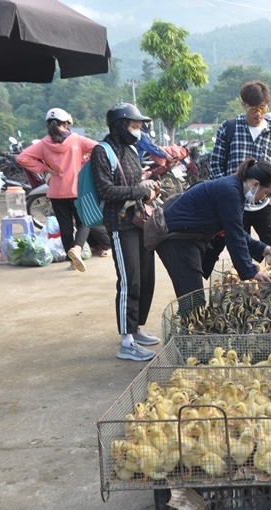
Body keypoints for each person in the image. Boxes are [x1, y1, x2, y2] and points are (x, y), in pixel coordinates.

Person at [155, 159, 271, 306]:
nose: (265, 197)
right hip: (177, 240)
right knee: (192, 300)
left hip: (190, 238)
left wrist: (263, 249)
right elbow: (234, 236)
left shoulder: (235, 189)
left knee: (193, 299)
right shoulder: (230, 191)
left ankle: (189, 324)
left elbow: (235, 230)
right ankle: (187, 326)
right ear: (255, 184)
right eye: (267, 193)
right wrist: (251, 271)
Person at [92, 102, 162, 362]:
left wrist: (147, 186)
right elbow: (105, 191)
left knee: (146, 278)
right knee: (129, 281)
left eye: (140, 126)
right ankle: (126, 341)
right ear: (120, 125)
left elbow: (134, 182)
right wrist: (139, 190)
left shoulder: (131, 148)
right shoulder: (102, 151)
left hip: (139, 221)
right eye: (134, 126)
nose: (138, 130)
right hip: (120, 225)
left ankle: (136, 328)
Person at [16, 108, 111, 272]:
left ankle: (72, 262)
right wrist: (87, 159)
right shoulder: (77, 140)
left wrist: (44, 168)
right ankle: (78, 248)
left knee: (65, 227)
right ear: (67, 124)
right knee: (85, 222)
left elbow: (22, 158)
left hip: (56, 192)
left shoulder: (43, 144)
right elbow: (101, 149)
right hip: (77, 190)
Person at [208, 80, 271, 269]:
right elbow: (216, 166)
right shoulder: (229, 128)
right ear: (243, 105)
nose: (259, 114)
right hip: (236, 206)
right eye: (253, 109)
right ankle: (246, 294)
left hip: (264, 206)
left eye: (263, 108)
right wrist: (226, 199)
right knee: (241, 253)